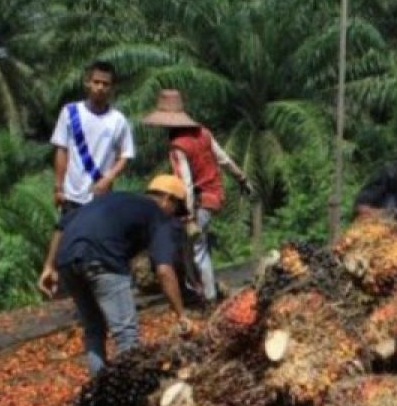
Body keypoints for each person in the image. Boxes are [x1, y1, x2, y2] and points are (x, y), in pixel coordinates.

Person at [37, 176, 191, 375]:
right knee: (126, 334)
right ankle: (132, 395)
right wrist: (181, 315)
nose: (175, 217)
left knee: (94, 329)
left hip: (67, 259)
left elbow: (62, 225)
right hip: (103, 259)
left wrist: (49, 266)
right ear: (168, 199)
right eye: (177, 210)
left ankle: (99, 391)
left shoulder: (115, 198)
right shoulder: (158, 215)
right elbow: (164, 270)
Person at [142, 89, 254, 303]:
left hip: (199, 201)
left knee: (196, 251)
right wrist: (242, 178)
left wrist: (188, 214)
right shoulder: (203, 132)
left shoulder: (177, 146)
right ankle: (200, 291)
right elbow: (223, 159)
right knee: (193, 249)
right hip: (215, 196)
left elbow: (186, 183)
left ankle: (207, 298)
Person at [50, 61, 135, 215]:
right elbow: (61, 150)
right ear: (87, 83)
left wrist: (108, 179)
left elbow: (126, 155)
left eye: (105, 84)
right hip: (71, 196)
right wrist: (58, 187)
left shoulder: (118, 120)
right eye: (96, 82)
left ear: (112, 88)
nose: (100, 87)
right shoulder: (70, 112)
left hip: (100, 197)